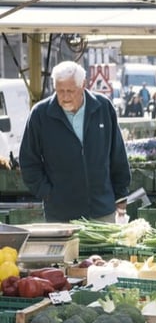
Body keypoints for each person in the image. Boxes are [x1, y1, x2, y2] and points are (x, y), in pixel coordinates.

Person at [20, 61, 131, 223]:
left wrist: (121, 194)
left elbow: (118, 154)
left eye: (70, 91)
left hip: (102, 211)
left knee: (102, 249)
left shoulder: (103, 107)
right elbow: (28, 161)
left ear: (83, 86)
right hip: (61, 214)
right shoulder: (40, 115)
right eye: (60, 91)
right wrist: (48, 193)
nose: (65, 97)